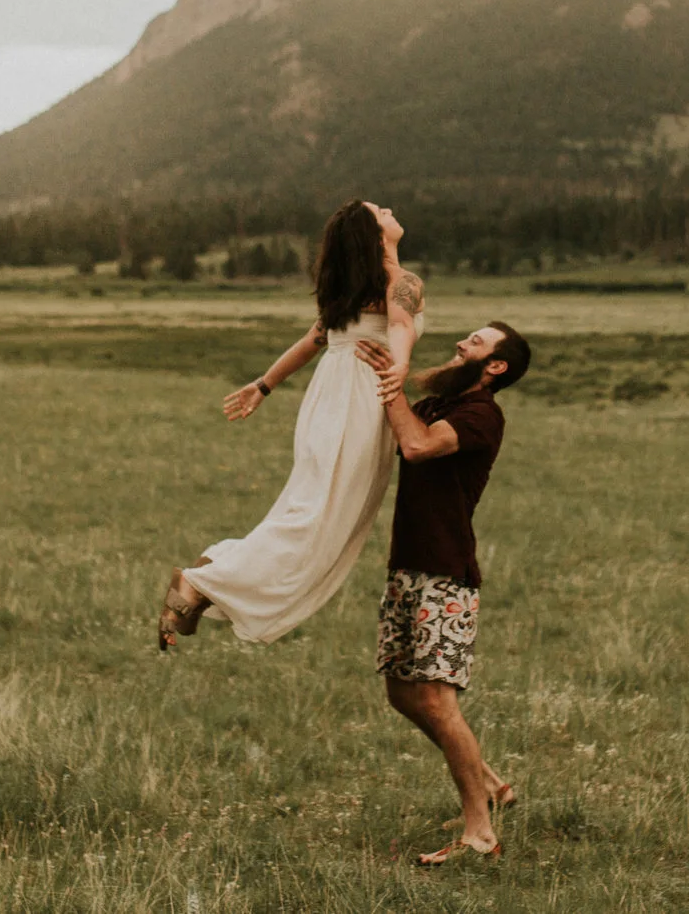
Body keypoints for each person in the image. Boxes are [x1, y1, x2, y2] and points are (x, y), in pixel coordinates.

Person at [156, 200, 423, 649]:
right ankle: (205, 582)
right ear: (374, 235)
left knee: (309, 509)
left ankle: (217, 573)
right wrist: (400, 366)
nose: (389, 209)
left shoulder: (354, 285)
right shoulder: (401, 281)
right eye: (379, 211)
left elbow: (313, 341)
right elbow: (400, 325)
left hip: (329, 400)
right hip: (357, 400)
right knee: (322, 518)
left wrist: (264, 385)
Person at [360, 320, 531, 866]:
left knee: (436, 700)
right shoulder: (439, 404)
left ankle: (480, 832)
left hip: (445, 575)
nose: (462, 343)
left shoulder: (481, 415)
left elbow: (416, 445)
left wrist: (392, 384)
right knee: (401, 693)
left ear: (495, 366)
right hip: (408, 565)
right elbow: (395, 430)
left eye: (476, 342)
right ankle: (493, 786)